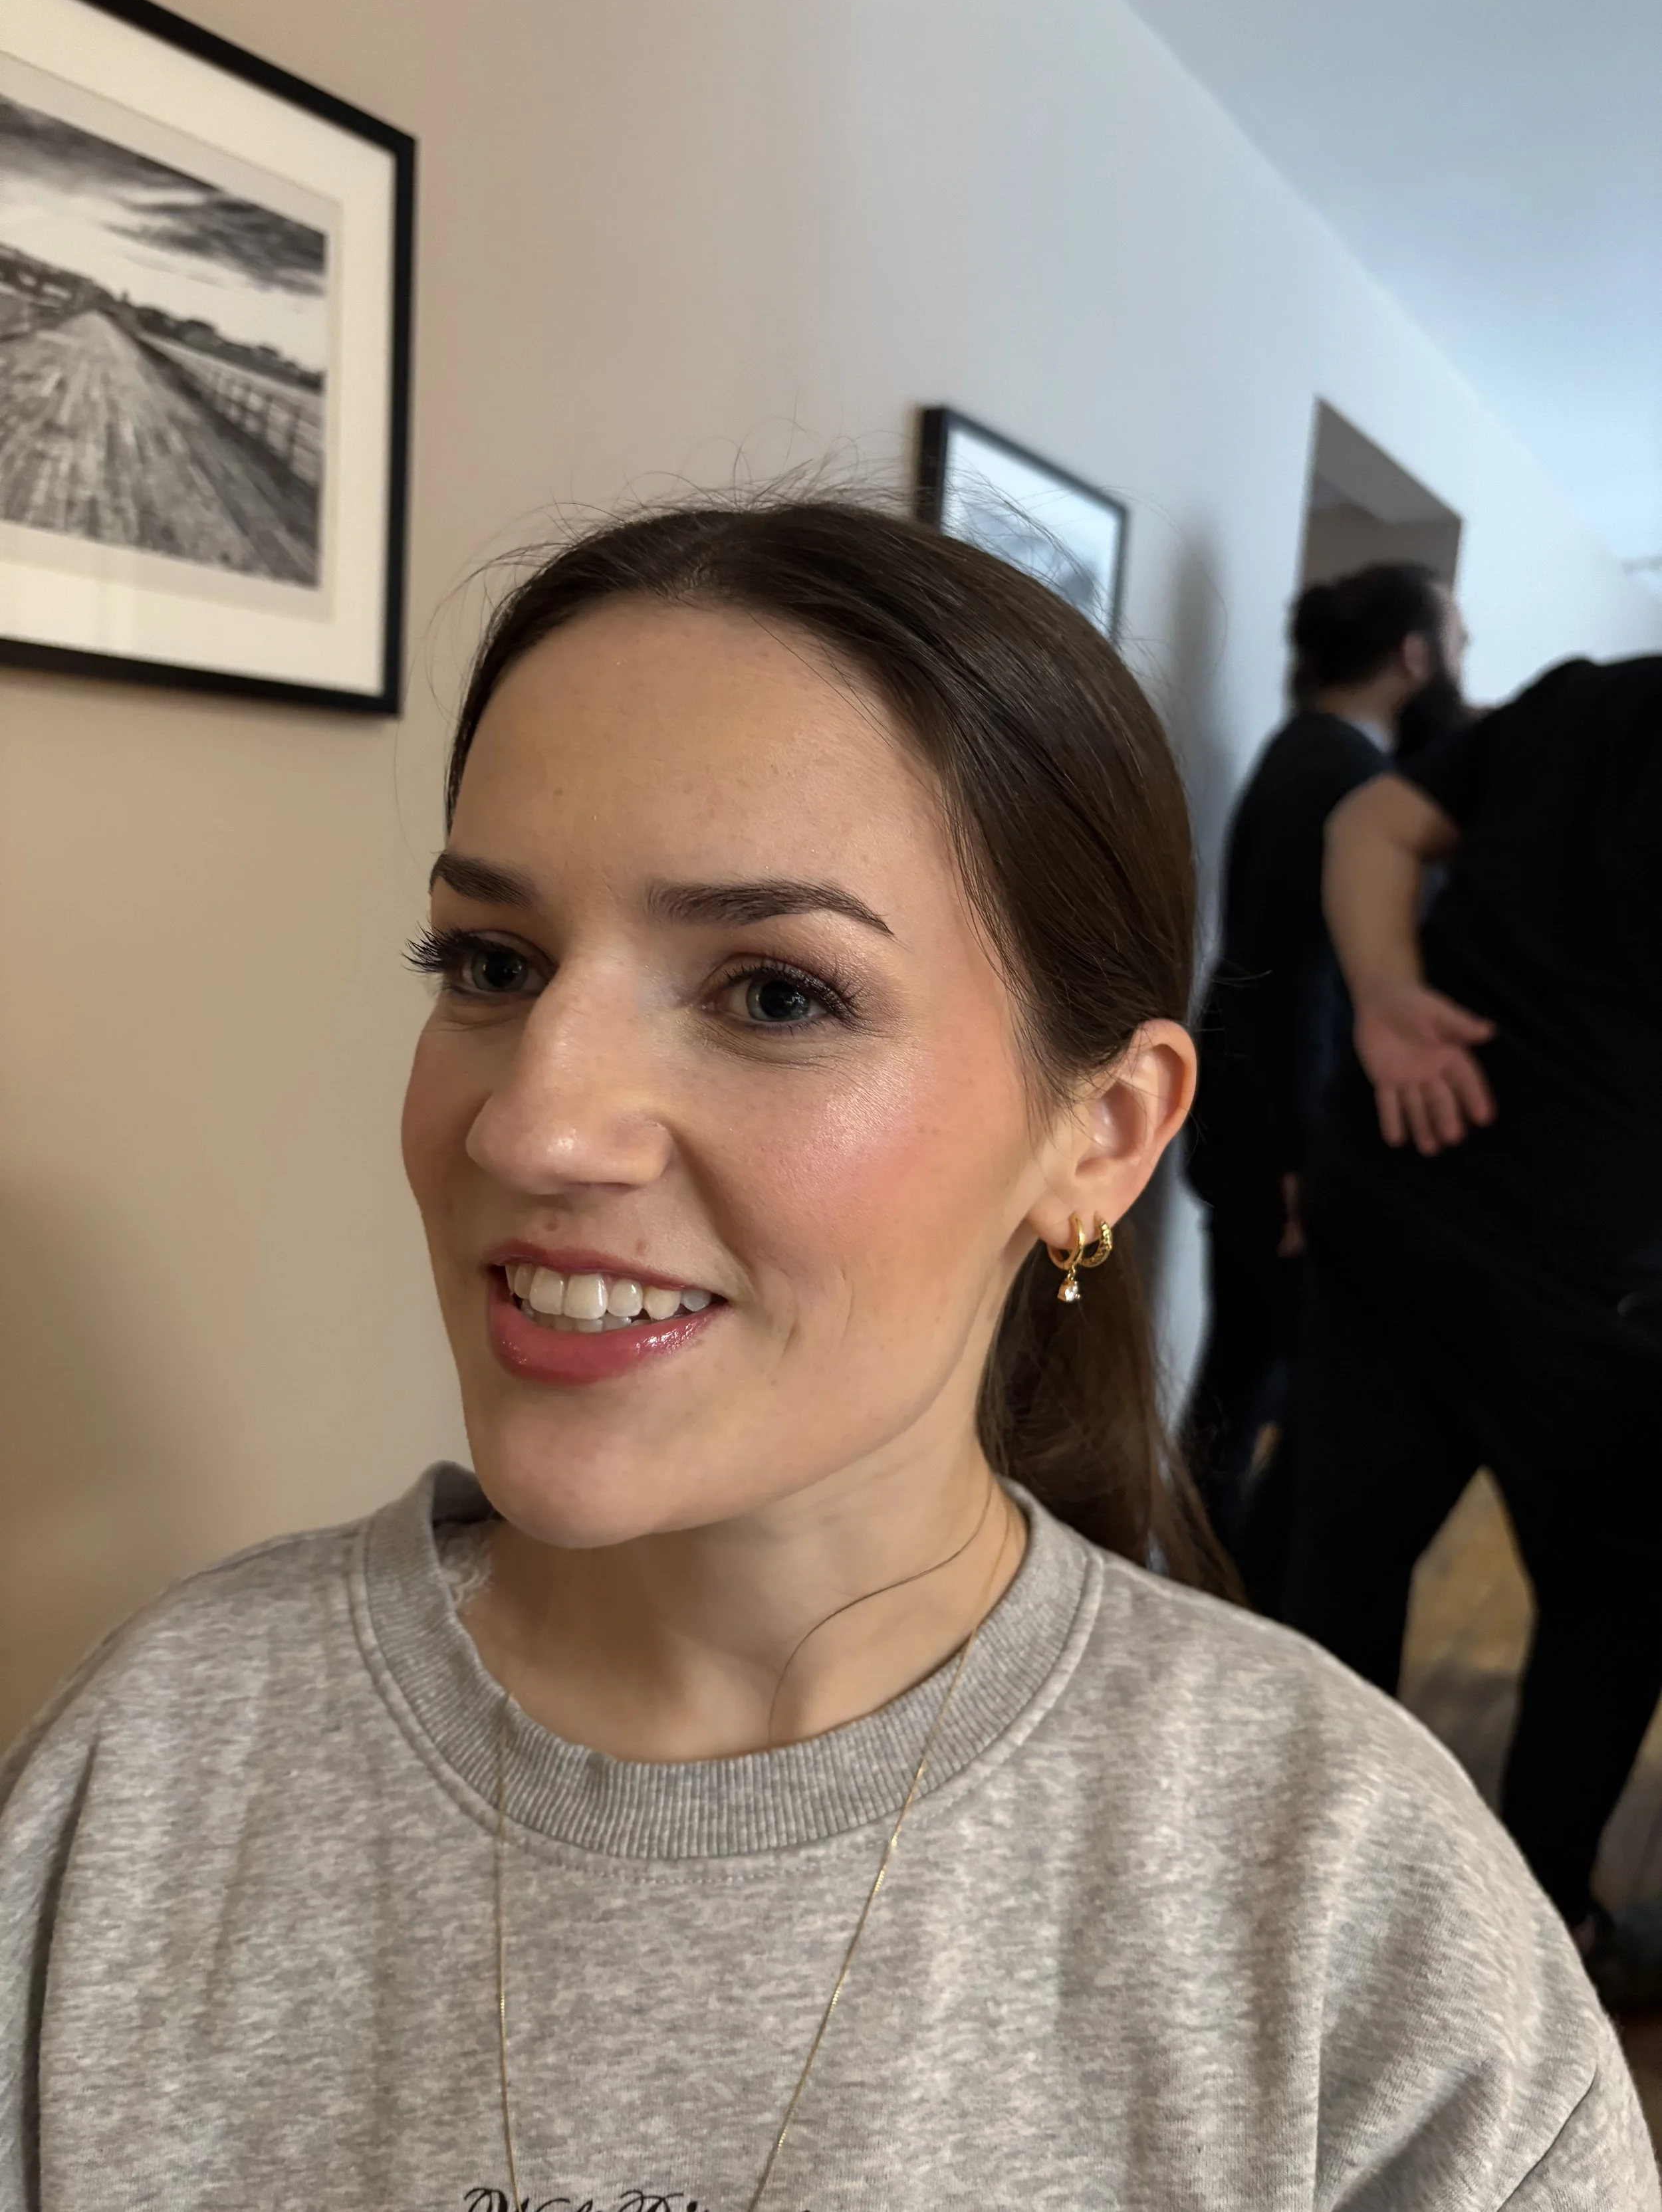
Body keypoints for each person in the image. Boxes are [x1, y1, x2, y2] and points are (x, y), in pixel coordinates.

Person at [2, 503, 1651, 2209]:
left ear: (1100, 1133)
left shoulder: (1347, 1917)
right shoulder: (152, 1776)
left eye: (775, 994)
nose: (535, 1120)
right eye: (490, 962)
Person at [1280, 652, 1662, 2002]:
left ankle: (1287, 1892)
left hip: (1397, 1191)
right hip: (1588, 1287)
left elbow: (1369, 823)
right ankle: (1532, 1935)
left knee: (1337, 1557)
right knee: (1612, 1615)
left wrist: (1383, 997)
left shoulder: (1588, 696)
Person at [1185, 564, 1467, 1568]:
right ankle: (1233, 1600)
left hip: (1253, 1129)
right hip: (1282, 1144)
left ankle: (1201, 1588)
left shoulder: (1304, 751)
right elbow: (1293, 984)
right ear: (1414, 654)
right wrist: (1304, 1162)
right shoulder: (1342, 777)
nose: (1461, 661)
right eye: (1456, 639)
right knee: (1291, 1405)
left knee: (1237, 1384)